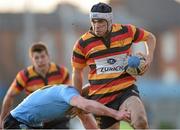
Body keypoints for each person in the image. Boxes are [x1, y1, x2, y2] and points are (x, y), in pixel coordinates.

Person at [71, 2, 156, 129]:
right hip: (101, 99)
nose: (96, 26)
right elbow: (77, 72)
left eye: (101, 22)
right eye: (93, 21)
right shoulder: (82, 43)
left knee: (140, 121)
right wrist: (78, 99)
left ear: (109, 21)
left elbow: (150, 37)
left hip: (126, 91)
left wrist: (149, 57)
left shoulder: (126, 31)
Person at [0, 42, 71, 129]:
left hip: (57, 117)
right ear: (32, 60)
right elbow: (9, 96)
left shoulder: (61, 72)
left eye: (43, 56)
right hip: (35, 118)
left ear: (48, 57)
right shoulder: (25, 75)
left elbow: (71, 94)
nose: (40, 60)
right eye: (36, 58)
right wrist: (2, 121)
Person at [2, 84, 130, 129]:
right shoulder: (69, 93)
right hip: (16, 122)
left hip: (31, 125)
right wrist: (116, 113)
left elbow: (88, 122)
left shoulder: (75, 104)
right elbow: (87, 106)